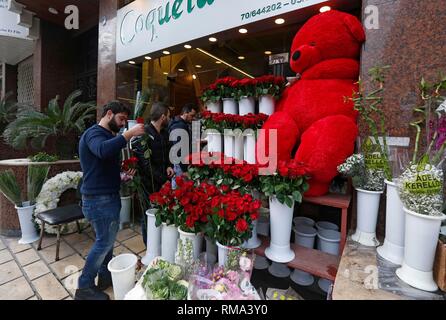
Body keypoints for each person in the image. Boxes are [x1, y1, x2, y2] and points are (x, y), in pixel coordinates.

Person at [75, 101, 145, 300]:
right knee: (103, 243)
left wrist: (122, 175)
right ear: (108, 114)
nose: (123, 124)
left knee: (107, 242)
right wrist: (129, 134)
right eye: (121, 119)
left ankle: (105, 277)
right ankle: (84, 287)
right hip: (98, 200)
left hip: (105, 197)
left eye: (125, 121)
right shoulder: (94, 134)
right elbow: (102, 150)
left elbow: (102, 165)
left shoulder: (108, 136)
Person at [132, 102, 174, 246]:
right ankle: (149, 246)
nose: (170, 118)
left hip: (161, 182)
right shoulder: (143, 133)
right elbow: (145, 165)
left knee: (160, 213)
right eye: (168, 116)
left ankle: (159, 242)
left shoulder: (164, 133)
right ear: (163, 117)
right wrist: (164, 180)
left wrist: (169, 166)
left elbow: (168, 153)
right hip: (148, 183)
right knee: (147, 216)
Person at [168, 103, 199, 186]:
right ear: (185, 113)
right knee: (179, 188)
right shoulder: (179, 126)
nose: (193, 118)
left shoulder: (180, 123)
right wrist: (185, 169)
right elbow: (179, 150)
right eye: (192, 115)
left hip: (178, 162)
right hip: (179, 163)